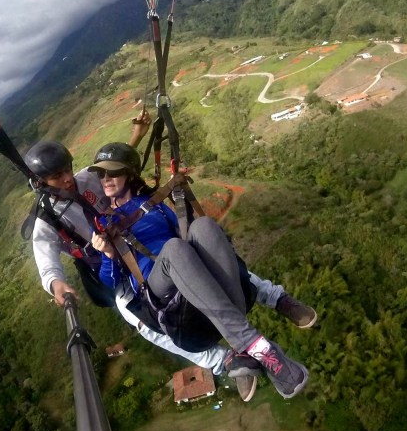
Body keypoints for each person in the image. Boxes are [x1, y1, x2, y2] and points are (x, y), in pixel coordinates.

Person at [23, 129, 316, 401]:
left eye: (66, 170)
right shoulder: (47, 222)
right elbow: (46, 261)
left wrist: (138, 136)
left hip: (152, 243)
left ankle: (272, 300)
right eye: (56, 177)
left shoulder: (95, 180)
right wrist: (57, 285)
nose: (67, 179)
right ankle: (222, 360)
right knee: (134, 306)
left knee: (201, 234)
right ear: (40, 182)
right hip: (122, 265)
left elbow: (114, 165)